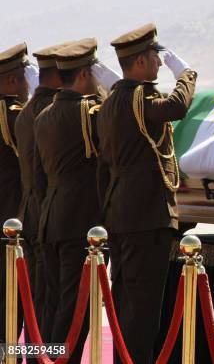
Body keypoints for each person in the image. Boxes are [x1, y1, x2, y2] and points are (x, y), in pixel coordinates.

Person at [97, 23, 197, 363]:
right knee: (141, 308)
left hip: (121, 213)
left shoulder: (111, 102)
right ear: (140, 62)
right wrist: (185, 74)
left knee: (126, 299)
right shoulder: (139, 99)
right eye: (155, 57)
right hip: (144, 216)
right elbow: (176, 107)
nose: (158, 63)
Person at [33, 38, 116, 363]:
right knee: (74, 312)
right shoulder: (86, 112)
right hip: (79, 225)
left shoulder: (43, 116)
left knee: (56, 306)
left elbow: (40, 178)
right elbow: (116, 111)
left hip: (50, 221)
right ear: (84, 75)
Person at [14, 41, 71, 341]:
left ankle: (36, 358)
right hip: (51, 216)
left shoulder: (26, 113)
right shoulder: (51, 112)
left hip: (32, 214)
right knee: (57, 301)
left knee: (40, 301)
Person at [0, 42, 29, 348]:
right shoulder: (12, 117)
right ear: (10, 82)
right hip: (11, 227)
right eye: (23, 79)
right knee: (12, 307)